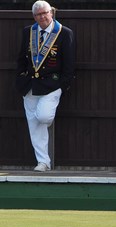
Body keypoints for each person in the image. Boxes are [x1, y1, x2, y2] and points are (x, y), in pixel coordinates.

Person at [16, 0, 75, 171]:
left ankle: (44, 160)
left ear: (52, 12)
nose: (43, 17)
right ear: (34, 16)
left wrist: (63, 85)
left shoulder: (64, 33)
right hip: (29, 85)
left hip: (52, 85)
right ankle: (43, 162)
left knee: (42, 117)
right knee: (34, 126)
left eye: (45, 13)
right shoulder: (28, 31)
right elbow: (21, 58)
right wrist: (20, 79)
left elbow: (69, 64)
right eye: (39, 14)